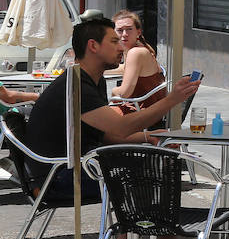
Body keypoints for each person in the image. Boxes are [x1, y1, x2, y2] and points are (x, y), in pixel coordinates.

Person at [25, 16, 200, 202]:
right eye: (114, 41)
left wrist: (149, 136)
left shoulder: (93, 79)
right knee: (151, 171)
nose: (120, 47)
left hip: (75, 167)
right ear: (93, 46)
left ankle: (131, 230)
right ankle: (145, 229)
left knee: (153, 163)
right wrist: (172, 99)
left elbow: (107, 134)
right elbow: (121, 127)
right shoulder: (76, 85)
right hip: (57, 178)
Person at [112, 9, 167, 111]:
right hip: (150, 111)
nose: (124, 34)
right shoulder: (140, 49)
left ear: (138, 32)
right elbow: (124, 68)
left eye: (129, 29)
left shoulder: (135, 53)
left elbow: (124, 93)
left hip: (142, 115)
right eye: (120, 30)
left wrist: (113, 91)